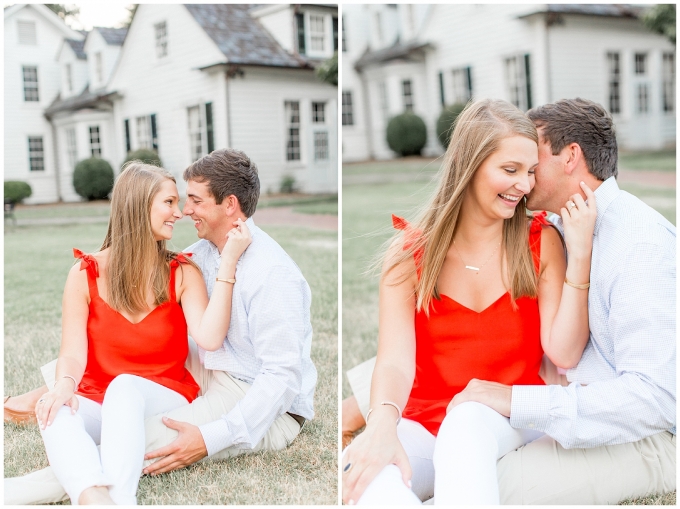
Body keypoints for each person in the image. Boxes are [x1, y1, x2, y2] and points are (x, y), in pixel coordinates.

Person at [5, 149, 317, 504]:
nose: (184, 211)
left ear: (229, 205)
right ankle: (46, 398)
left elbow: (280, 377)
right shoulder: (200, 253)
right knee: (77, 396)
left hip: (250, 390)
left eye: (194, 200)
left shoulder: (272, 273)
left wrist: (210, 437)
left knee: (128, 440)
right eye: (176, 200)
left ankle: (38, 493)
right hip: (208, 368)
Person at [341, 99, 597, 505]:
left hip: (506, 419)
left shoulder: (541, 243)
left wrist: (579, 258)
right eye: (510, 170)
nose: (525, 185)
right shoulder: (409, 254)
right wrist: (382, 425)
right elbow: (393, 361)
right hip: (425, 421)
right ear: (468, 166)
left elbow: (563, 352)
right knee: (362, 476)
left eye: (530, 172)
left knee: (467, 423)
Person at [449, 98, 676, 504]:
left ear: (570, 156)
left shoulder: (641, 245)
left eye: (532, 160)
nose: (524, 176)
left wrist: (518, 401)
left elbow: (654, 399)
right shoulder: (554, 224)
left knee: (479, 485)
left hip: (643, 438)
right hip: (569, 408)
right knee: (455, 460)